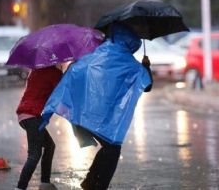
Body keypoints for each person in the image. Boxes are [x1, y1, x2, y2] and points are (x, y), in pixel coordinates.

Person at [40, 23, 153, 190]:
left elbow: (76, 70)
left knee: (109, 147)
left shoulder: (97, 53)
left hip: (85, 115)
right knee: (113, 149)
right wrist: (146, 66)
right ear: (131, 40)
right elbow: (147, 85)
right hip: (103, 121)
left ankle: (91, 181)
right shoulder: (128, 62)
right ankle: (97, 185)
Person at [15, 62, 70, 190]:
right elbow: (62, 91)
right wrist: (65, 73)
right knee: (34, 154)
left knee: (49, 146)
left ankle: (45, 183)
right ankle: (20, 187)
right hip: (32, 116)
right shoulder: (53, 73)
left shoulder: (36, 69)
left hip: (25, 115)